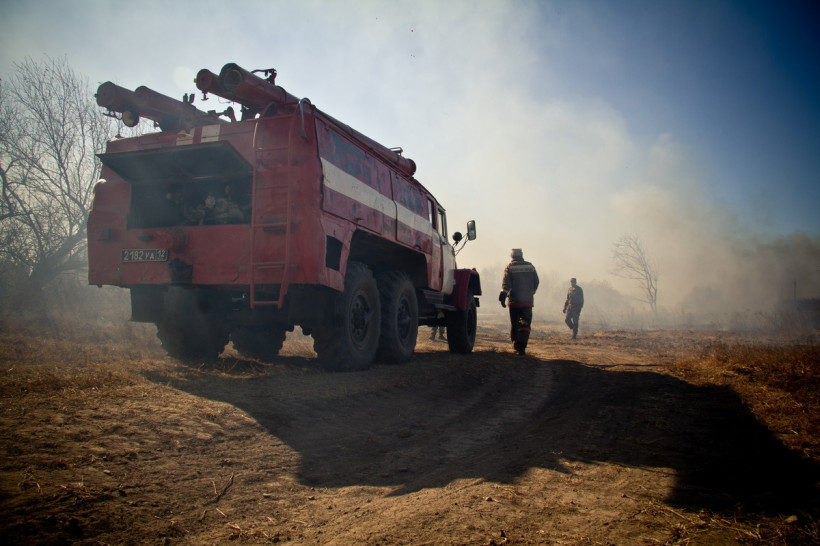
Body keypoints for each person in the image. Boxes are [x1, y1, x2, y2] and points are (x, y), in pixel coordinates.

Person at [499, 248, 539, 355]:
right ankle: (522, 347)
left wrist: (503, 296)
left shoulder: (510, 267)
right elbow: (536, 282)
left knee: (515, 325)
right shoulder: (530, 266)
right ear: (521, 255)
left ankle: (516, 346)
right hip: (527, 302)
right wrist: (531, 293)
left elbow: (506, 284)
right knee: (525, 324)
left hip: (514, 302)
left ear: (512, 256)